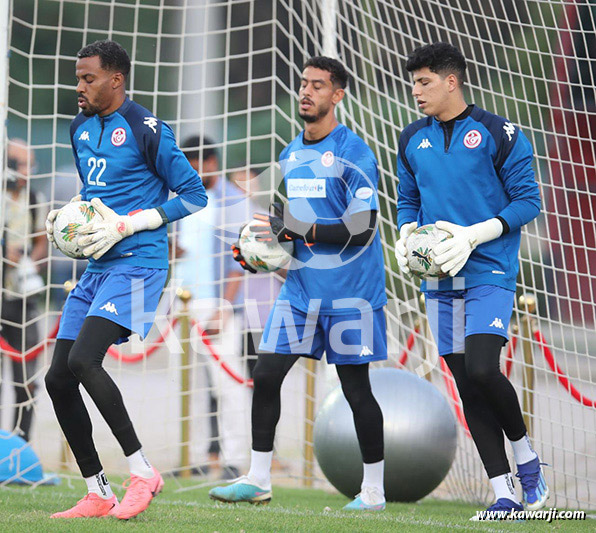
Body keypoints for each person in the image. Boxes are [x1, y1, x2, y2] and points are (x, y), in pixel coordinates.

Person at [209, 56, 387, 511]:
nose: (306, 92)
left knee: (355, 389)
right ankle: (258, 478)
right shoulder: (291, 153)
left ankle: (373, 492)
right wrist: (261, 255)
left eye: (318, 86)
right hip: (302, 291)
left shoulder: (355, 152)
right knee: (265, 375)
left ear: (337, 95)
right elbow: (294, 231)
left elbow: (362, 227)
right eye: (303, 84)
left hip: (352, 293)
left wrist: (294, 228)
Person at [43, 40, 207, 519]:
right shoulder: (78, 128)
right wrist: (72, 219)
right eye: (78, 77)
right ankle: (98, 490)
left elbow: (195, 196)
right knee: (57, 378)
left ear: (116, 80)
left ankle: (142, 472)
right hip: (97, 266)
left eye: (88, 78)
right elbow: (97, 192)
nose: (80, 86)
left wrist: (129, 223)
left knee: (83, 360)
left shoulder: (146, 128)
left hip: (140, 262)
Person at [394, 42, 547, 519]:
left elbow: (528, 202)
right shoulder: (410, 138)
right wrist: (404, 234)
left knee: (483, 368)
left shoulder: (499, 133)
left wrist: (476, 234)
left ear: (451, 81)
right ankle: (503, 493)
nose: (416, 91)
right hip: (438, 277)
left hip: (489, 270)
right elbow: (408, 198)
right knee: (465, 381)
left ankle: (527, 460)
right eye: (413, 82)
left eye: (424, 82)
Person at [175, 136, 250, 479]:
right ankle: (194, 457)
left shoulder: (234, 201)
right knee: (188, 385)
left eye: (196, 164)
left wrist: (226, 307)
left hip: (216, 303)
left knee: (228, 384)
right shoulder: (181, 195)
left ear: (212, 163)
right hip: (181, 301)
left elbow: (240, 261)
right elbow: (176, 247)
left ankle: (234, 459)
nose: (191, 171)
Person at [1, 139, 47, 442]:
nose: (26, 171)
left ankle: (20, 444)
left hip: (23, 299)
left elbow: (42, 238)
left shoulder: (34, 197)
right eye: (21, 163)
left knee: (27, 379)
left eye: (30, 164)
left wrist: (31, 260)